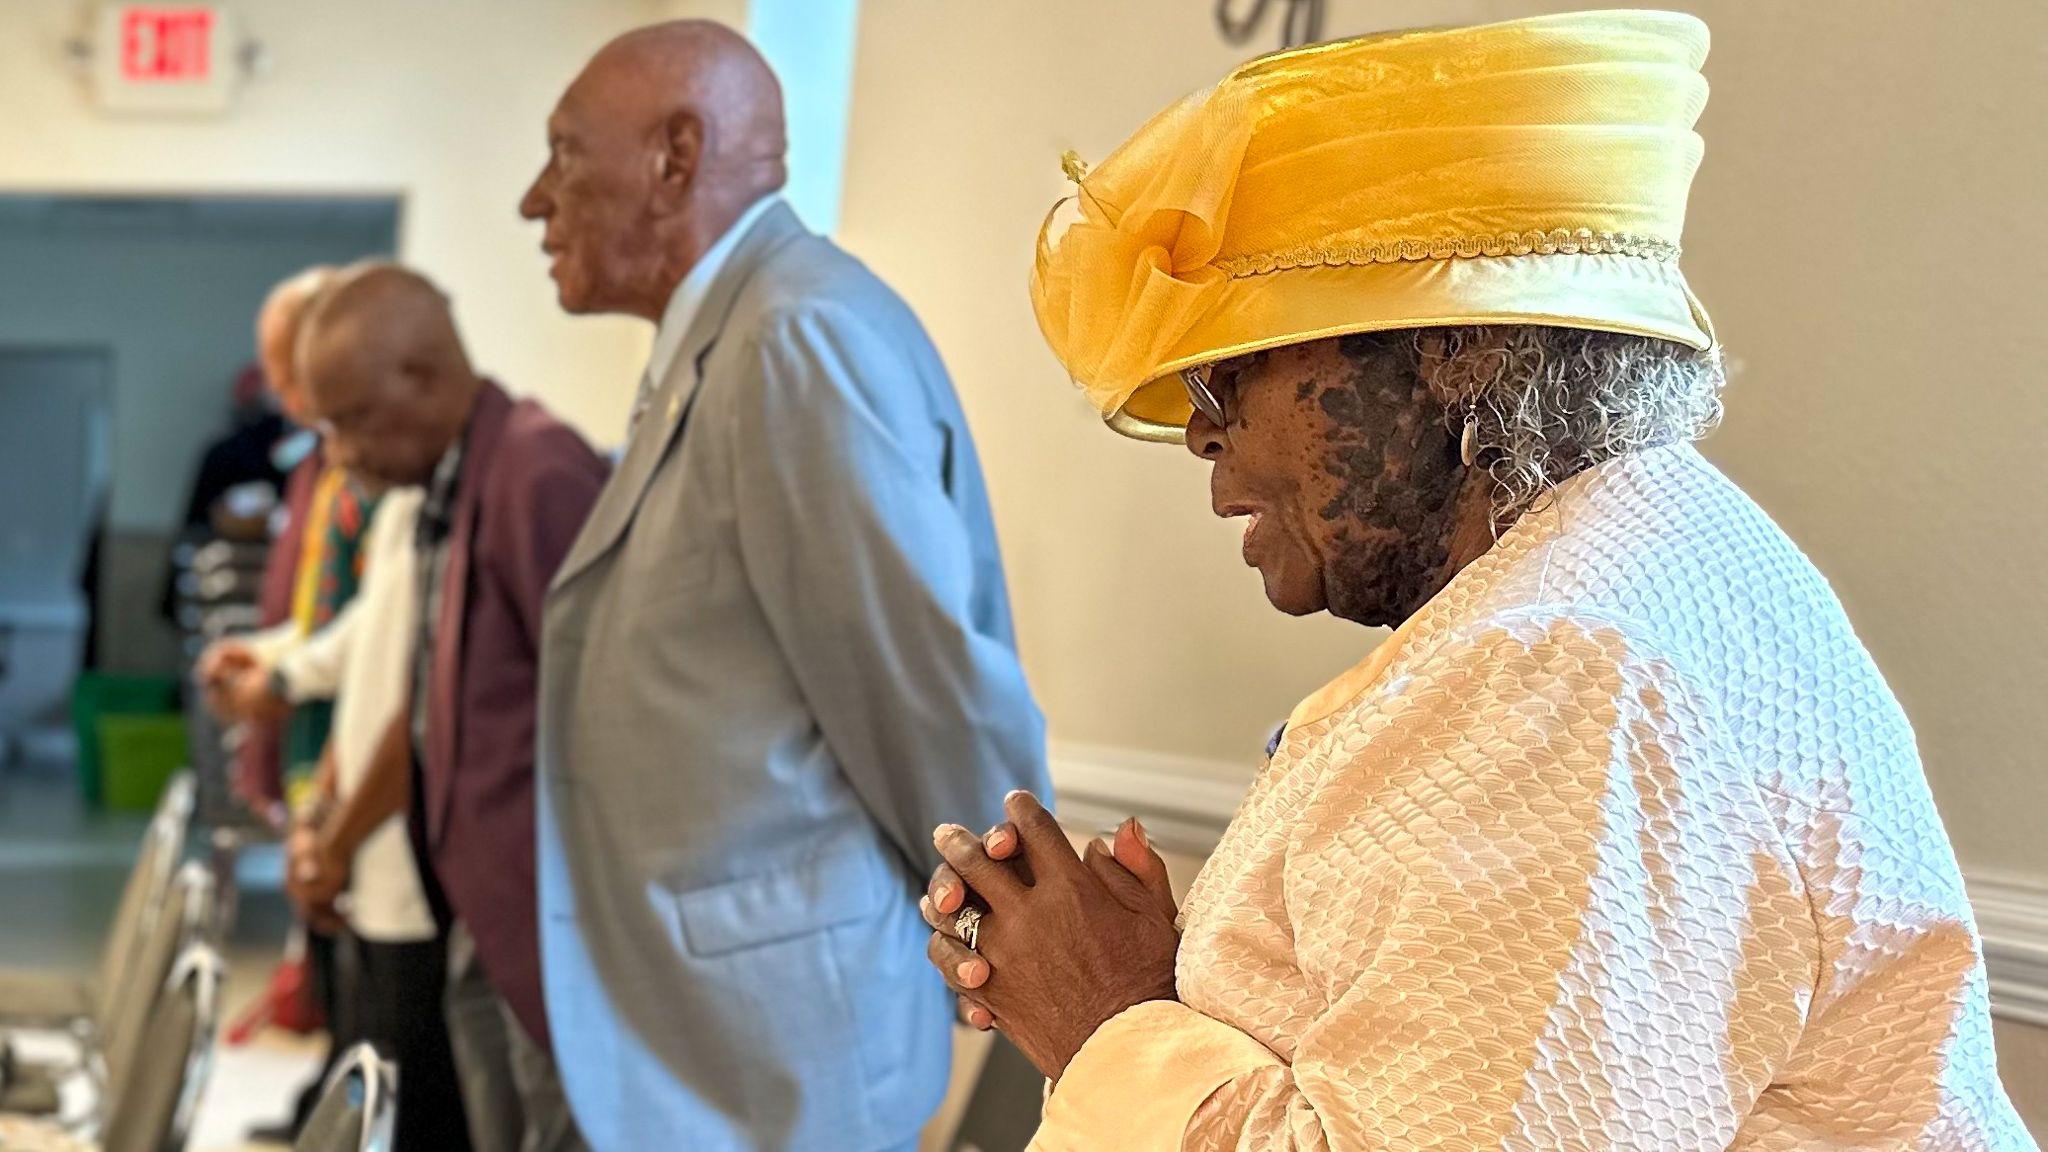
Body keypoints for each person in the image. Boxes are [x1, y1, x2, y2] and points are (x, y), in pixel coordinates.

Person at [921, 12, 2038, 1149]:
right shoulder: (1631, 566)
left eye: (1229, 374)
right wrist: (1172, 985)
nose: (1202, 438)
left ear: (1460, 350)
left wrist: (1105, 1022)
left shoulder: (1562, 672)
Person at [519, 21, 1049, 1151]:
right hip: (711, 1036)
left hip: (775, 1053)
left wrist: (1007, 940)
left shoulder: (790, 338)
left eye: (563, 154)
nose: (533, 200)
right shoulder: (732, 337)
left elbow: (924, 691)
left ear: (675, 157)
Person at [297, 262, 608, 1152]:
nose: (341, 453)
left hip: (544, 917)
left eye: (352, 419)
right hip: (478, 906)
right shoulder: (444, 485)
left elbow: (595, 717)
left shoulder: (535, 471)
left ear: (425, 377)